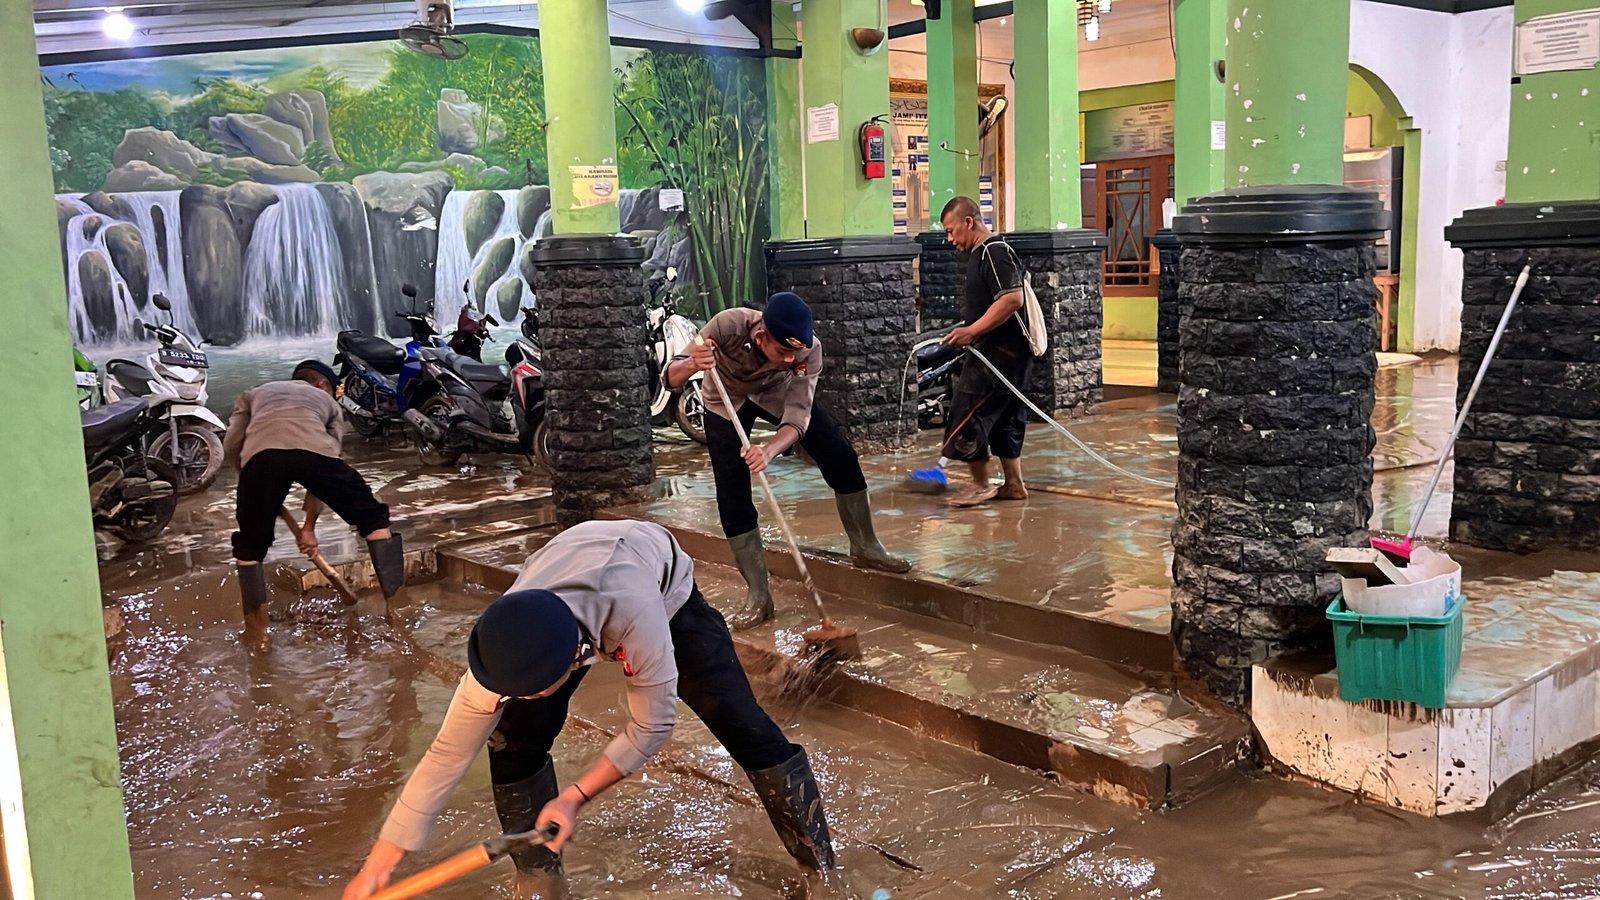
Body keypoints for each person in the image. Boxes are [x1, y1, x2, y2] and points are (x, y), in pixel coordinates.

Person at [341, 520, 836, 899]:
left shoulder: (633, 616)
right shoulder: (503, 646)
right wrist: (378, 865)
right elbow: (446, 755)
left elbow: (652, 725)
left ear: (576, 659)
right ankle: (540, 880)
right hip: (561, 576)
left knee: (740, 722)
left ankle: (818, 867)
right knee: (511, 740)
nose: (517, 697)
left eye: (531, 691)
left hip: (658, 580)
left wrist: (574, 797)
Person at [663, 291, 909, 629]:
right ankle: (759, 596)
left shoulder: (808, 350)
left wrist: (768, 450)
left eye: (795, 353)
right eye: (783, 351)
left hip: (776, 392)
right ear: (761, 337)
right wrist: (693, 363)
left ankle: (866, 547)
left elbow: (798, 417)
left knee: (840, 455)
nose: (791, 359)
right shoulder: (727, 326)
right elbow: (670, 378)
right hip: (725, 399)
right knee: (731, 491)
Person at [223, 360, 404, 648]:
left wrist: (250, 479)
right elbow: (328, 461)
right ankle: (397, 613)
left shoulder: (255, 393)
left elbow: (233, 443)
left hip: (260, 458)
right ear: (323, 384)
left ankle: (257, 636)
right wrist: (308, 526)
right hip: (316, 455)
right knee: (373, 519)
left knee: (249, 546)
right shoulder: (327, 402)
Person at [928, 195, 1034, 507]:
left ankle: (980, 486)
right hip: (1007, 356)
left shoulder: (993, 251)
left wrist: (973, 331)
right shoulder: (983, 253)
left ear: (968, 222)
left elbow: (1012, 298)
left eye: (951, 231)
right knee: (1005, 420)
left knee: (966, 413)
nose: (950, 239)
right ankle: (1014, 485)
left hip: (999, 356)